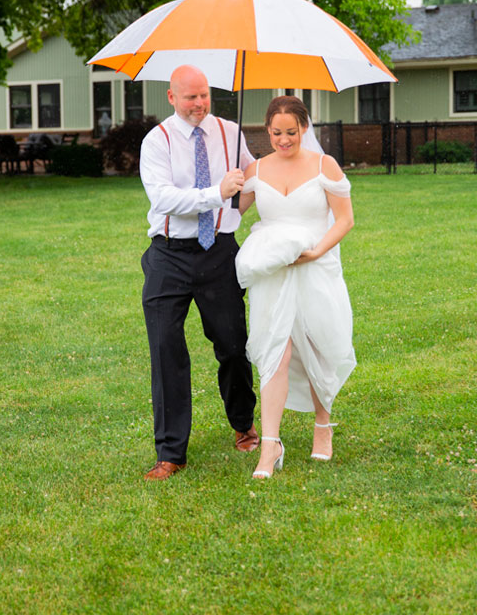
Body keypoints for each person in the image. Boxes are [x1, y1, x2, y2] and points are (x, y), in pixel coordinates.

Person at [138, 65, 259, 481]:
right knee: (166, 351)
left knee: (233, 343)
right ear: (171, 98)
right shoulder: (157, 141)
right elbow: (164, 198)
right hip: (169, 256)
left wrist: (234, 217)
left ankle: (244, 424)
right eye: (190, 97)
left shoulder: (230, 131)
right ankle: (171, 453)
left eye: (204, 95)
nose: (199, 104)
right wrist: (216, 195)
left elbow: (253, 176)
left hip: (218, 255)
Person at [235, 95, 356, 479]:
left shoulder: (325, 166)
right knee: (276, 352)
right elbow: (231, 214)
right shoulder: (255, 169)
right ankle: (270, 446)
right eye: (276, 133)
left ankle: (323, 425)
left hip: (315, 268)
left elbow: (345, 219)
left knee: (318, 346)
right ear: (266, 130)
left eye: (291, 132)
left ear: (304, 128)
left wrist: (316, 250)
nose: (284, 140)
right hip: (274, 275)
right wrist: (229, 187)